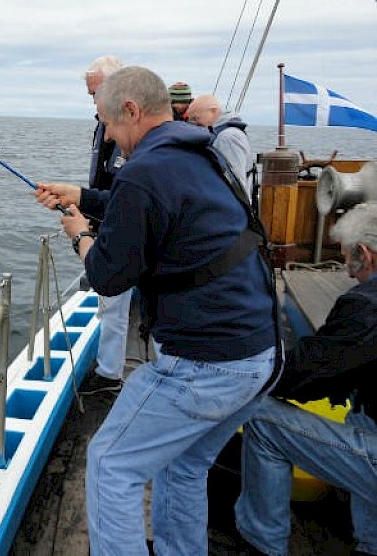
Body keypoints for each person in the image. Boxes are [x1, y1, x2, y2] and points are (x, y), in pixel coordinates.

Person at [35, 66, 279, 556]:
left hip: (205, 366)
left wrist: (80, 234)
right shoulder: (199, 151)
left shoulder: (144, 170)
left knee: (109, 463)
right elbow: (149, 204)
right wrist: (82, 195)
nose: (110, 136)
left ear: (131, 110)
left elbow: (107, 276)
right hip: (261, 356)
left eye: (109, 123)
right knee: (184, 465)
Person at [235, 201, 377, 556]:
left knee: (261, 418)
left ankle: (262, 545)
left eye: (349, 261)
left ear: (365, 253)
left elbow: (302, 375)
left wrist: (240, 371)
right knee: (358, 413)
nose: (347, 272)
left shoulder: (367, 306)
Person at [83, 55, 130, 395]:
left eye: (95, 92)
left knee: (114, 303)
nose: (92, 100)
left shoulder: (130, 130)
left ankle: (109, 375)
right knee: (109, 304)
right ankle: (109, 369)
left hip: (123, 229)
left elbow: (126, 191)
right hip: (104, 222)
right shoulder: (103, 123)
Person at [187, 93, 252, 193]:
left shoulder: (227, 137)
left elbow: (235, 183)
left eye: (196, 118)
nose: (194, 124)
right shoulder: (224, 134)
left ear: (213, 111)